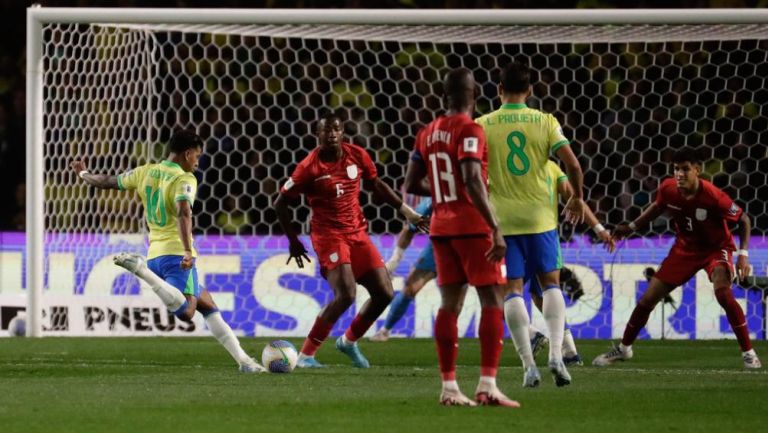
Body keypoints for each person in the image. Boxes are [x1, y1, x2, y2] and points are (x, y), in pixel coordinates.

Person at [70, 129, 265, 373]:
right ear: (187, 153)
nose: (197, 161)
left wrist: (84, 174)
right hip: (175, 254)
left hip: (155, 255)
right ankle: (141, 271)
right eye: (197, 156)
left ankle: (244, 362)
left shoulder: (144, 171)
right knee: (187, 311)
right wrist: (187, 251)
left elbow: (108, 182)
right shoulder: (185, 179)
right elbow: (184, 212)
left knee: (207, 305)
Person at [274, 112, 426, 369]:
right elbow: (280, 204)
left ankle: (349, 341)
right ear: (318, 135)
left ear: (343, 132)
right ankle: (306, 355)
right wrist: (294, 241)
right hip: (329, 237)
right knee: (346, 294)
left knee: (384, 293)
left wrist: (408, 212)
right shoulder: (308, 167)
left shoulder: (356, 154)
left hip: (357, 233)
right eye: (326, 130)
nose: (331, 134)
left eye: (336, 129)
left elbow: (377, 185)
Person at [405, 67, 519, 408]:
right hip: (472, 226)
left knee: (449, 305)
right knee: (492, 300)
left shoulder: (427, 132)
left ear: (444, 95)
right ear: (475, 95)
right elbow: (471, 177)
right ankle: (487, 386)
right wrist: (495, 226)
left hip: (440, 227)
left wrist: (443, 190)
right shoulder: (471, 129)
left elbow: (411, 183)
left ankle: (450, 388)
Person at [593, 147, 761, 369]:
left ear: (697, 170)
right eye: (676, 169)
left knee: (723, 293)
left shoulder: (713, 196)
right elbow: (656, 208)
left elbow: (744, 220)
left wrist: (743, 255)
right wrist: (631, 227)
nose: (680, 174)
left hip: (715, 249)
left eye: (685, 169)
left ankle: (748, 353)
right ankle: (624, 349)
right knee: (647, 300)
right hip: (684, 250)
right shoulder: (669, 189)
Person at [475, 60, 586, 387]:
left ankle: (528, 367)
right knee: (550, 284)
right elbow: (574, 166)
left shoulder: (482, 124)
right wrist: (577, 198)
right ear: (530, 90)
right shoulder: (545, 121)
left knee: (511, 290)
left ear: (498, 90)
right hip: (541, 220)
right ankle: (556, 354)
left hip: (502, 223)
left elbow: (472, 174)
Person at [521, 160, 616, 372]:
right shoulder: (552, 169)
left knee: (501, 294)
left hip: (517, 239)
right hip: (547, 239)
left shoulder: (511, 167)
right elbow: (576, 199)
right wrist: (599, 228)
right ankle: (569, 351)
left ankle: (531, 334)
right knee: (543, 294)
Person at [370, 197, 435, 342]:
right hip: (439, 249)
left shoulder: (476, 194)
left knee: (487, 291)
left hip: (471, 248)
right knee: (410, 288)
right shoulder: (431, 203)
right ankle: (385, 331)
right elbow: (409, 229)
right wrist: (394, 261)